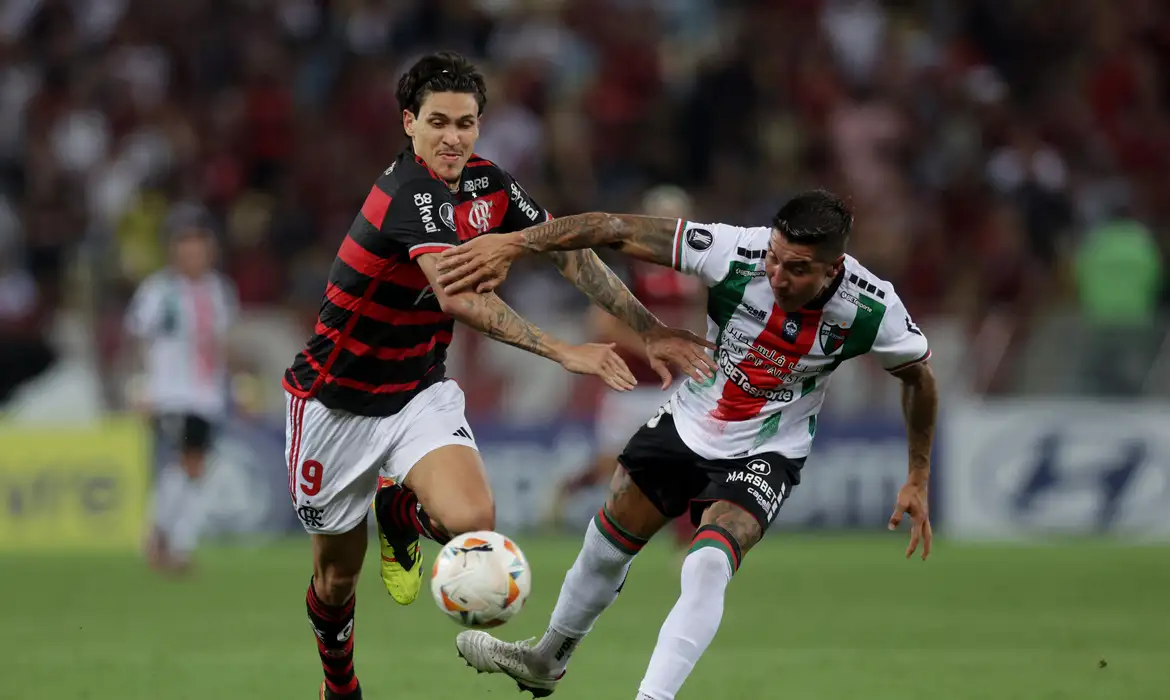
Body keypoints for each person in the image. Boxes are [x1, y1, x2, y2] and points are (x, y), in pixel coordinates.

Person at [281, 51, 715, 700]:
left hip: (417, 391)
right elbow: (456, 293)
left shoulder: (488, 185)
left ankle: (399, 510)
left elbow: (568, 254)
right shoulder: (407, 195)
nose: (453, 137)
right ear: (409, 124)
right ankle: (339, 682)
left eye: (466, 122)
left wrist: (648, 327)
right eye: (438, 122)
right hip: (333, 404)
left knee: (475, 518)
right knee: (336, 580)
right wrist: (565, 350)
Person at [438, 189, 938, 700]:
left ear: (833, 271)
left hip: (770, 448)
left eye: (799, 269)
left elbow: (919, 379)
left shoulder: (873, 307)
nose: (778, 276)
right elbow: (614, 227)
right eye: (775, 258)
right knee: (608, 538)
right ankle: (547, 658)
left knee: (706, 562)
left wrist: (918, 474)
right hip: (690, 419)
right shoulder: (732, 252)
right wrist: (516, 243)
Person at [549, 185, 704, 549]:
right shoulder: (631, 267)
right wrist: (651, 344)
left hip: (676, 383)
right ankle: (569, 488)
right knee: (612, 469)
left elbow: (696, 318)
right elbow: (601, 322)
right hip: (631, 382)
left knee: (688, 459)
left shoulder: (694, 268)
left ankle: (686, 545)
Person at [124, 204, 238, 574]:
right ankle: (171, 541)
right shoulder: (158, 291)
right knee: (186, 462)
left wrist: (230, 385)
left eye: (199, 244)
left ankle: (163, 536)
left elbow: (221, 343)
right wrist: (141, 384)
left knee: (193, 466)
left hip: (207, 394)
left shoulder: (219, 290)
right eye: (186, 244)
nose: (193, 252)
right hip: (171, 391)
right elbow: (138, 339)